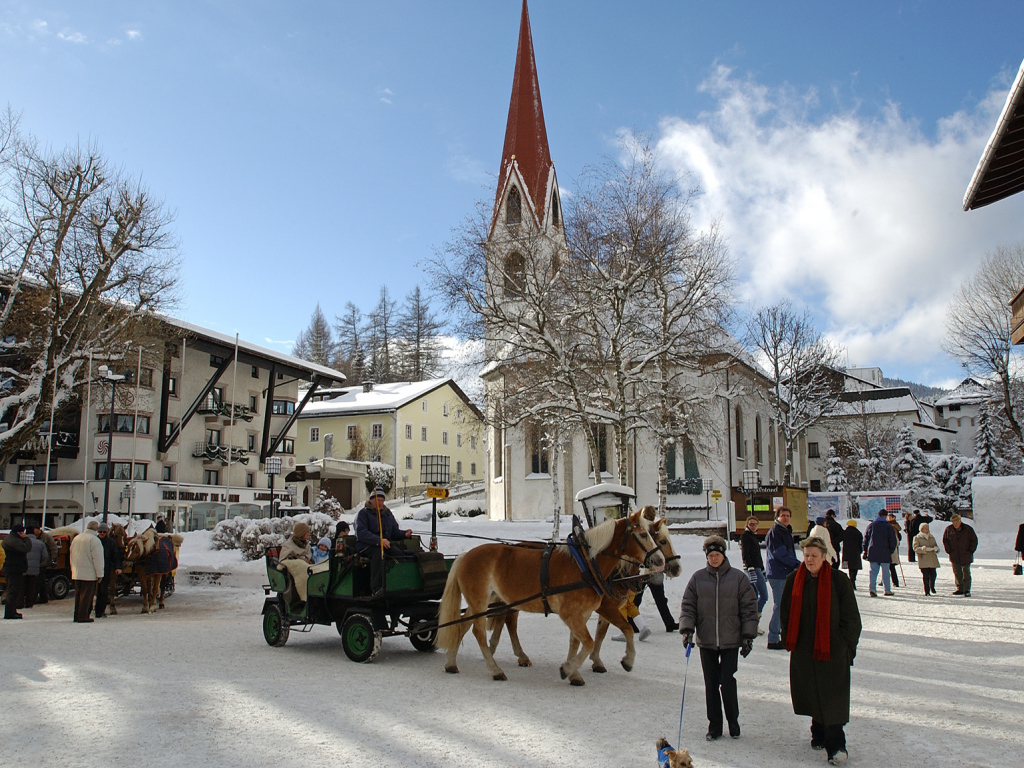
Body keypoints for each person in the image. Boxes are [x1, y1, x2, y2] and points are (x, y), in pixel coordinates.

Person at [780, 536, 861, 766]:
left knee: (832, 697)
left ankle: (836, 746)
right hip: (805, 650)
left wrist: (846, 645)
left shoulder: (838, 581)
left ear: (825, 557)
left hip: (832, 651)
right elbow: (785, 613)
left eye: (814, 556)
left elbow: (852, 618)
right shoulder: (794, 579)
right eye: (806, 556)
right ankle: (818, 731)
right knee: (812, 692)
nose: (809, 560)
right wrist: (790, 639)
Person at [679, 535, 759, 742]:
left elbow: (749, 608)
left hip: (731, 639)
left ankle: (733, 721)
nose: (714, 559)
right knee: (711, 683)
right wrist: (687, 629)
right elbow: (688, 606)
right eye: (711, 555)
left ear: (723, 555)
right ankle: (714, 725)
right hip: (706, 640)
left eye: (717, 555)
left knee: (727, 680)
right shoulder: (698, 579)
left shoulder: (738, 578)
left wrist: (748, 635)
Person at [355, 486, 415, 594]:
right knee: (378, 552)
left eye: (382, 500)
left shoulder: (387, 514)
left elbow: (394, 532)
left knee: (398, 553)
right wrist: (379, 540)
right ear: (371, 500)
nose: (380, 503)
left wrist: (404, 534)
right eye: (378, 500)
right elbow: (362, 533)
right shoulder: (363, 514)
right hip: (366, 545)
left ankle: (397, 583)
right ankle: (376, 587)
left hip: (386, 543)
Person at [765, 507, 799, 650]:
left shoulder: (785, 531)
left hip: (785, 573)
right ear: (777, 517)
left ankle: (782, 635)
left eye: (788, 515)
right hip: (778, 574)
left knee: (785, 606)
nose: (785, 518)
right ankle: (773, 639)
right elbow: (780, 554)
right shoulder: (775, 532)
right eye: (783, 515)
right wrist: (797, 564)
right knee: (780, 606)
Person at [69, 521, 105, 623]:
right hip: (89, 574)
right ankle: (83, 616)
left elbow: (71, 554)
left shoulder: (77, 538)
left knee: (78, 595)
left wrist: (73, 569)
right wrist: (100, 574)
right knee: (86, 596)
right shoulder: (94, 540)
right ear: (96, 529)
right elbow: (98, 559)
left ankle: (76, 615)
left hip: (77, 572)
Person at [740, 516, 769, 630]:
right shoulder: (746, 536)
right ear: (747, 525)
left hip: (757, 568)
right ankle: (754, 620)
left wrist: (762, 569)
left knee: (754, 595)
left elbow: (757, 555)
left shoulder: (753, 537)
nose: (753, 526)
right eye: (751, 524)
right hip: (752, 569)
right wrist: (750, 567)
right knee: (764, 596)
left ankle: (751, 623)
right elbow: (745, 553)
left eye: (755, 524)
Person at [942, 513, 978, 597]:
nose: (955, 524)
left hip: (966, 555)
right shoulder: (948, 529)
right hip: (954, 555)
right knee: (957, 573)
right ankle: (960, 588)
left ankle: (967, 589)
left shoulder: (968, 529)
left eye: (956, 522)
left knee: (966, 573)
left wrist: (970, 550)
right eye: (953, 522)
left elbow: (974, 540)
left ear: (960, 521)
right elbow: (945, 541)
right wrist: (949, 550)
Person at [1, 523, 32, 619]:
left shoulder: (10, 539)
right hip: (14, 568)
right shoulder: (14, 541)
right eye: (23, 532)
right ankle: (9, 613)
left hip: (11, 568)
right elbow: (26, 548)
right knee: (13, 591)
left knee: (13, 590)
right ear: (19, 532)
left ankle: (12, 611)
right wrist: (26, 538)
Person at [862, 511, 897, 597]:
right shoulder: (888, 527)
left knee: (873, 572)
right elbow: (893, 540)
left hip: (873, 551)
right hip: (885, 552)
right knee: (886, 572)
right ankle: (887, 590)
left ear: (878, 515)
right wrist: (891, 550)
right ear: (886, 516)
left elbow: (866, 538)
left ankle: (872, 589)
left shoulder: (872, 525)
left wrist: (865, 550)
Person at [94, 522, 123, 618]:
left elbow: (115, 556)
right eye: (100, 531)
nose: (102, 533)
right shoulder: (94, 541)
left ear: (107, 532)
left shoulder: (111, 543)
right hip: (93, 569)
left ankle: (100, 611)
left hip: (105, 569)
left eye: (104, 531)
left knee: (103, 591)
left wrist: (118, 567)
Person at [32, 525, 58, 605]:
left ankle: (35, 598)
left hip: (44, 561)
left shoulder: (46, 537)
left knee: (38, 580)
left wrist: (54, 559)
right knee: (41, 580)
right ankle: (43, 597)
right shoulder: (33, 537)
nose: (34, 531)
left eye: (35, 529)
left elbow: (53, 548)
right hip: (36, 561)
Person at [22, 529, 48, 609]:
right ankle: (29, 603)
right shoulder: (40, 543)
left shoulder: (22, 542)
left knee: (22, 586)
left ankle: (20, 601)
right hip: (35, 569)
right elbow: (45, 556)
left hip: (23, 568)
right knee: (32, 586)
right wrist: (40, 565)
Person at [912, 523, 940, 596]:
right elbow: (915, 548)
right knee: (926, 575)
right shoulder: (917, 537)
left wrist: (936, 549)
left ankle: (932, 586)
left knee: (933, 574)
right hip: (924, 559)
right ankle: (927, 590)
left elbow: (935, 545)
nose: (927, 530)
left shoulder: (931, 537)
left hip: (932, 558)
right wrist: (924, 549)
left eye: (927, 528)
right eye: (925, 528)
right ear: (921, 529)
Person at [841, 520, 863, 590]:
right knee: (855, 568)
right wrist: (860, 551)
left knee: (850, 567)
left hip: (847, 553)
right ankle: (853, 580)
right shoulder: (858, 533)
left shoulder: (845, 532)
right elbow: (860, 544)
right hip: (855, 553)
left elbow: (839, 539)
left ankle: (851, 581)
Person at [886, 512, 902, 587]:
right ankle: (885, 581)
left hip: (893, 545)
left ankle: (894, 581)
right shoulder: (886, 524)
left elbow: (899, 529)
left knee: (890, 566)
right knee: (887, 566)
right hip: (890, 545)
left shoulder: (895, 524)